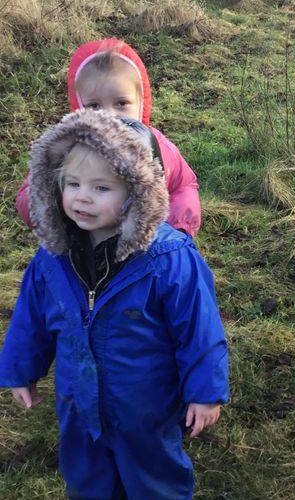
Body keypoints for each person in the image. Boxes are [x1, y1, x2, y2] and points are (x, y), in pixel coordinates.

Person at [0, 110, 229, 499]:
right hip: (77, 401)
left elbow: (199, 329)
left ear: (136, 194)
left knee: (154, 480)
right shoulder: (53, 257)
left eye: (101, 188)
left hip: (146, 408)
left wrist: (205, 391)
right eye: (72, 184)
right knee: (87, 479)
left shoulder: (169, 260)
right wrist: (20, 369)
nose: (82, 197)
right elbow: (31, 319)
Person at [15, 38, 202, 236]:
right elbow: (31, 191)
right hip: (84, 246)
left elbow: (183, 185)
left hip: (143, 247)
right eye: (94, 106)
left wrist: (175, 228)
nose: (109, 115)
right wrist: (53, 207)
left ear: (141, 103)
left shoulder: (157, 146)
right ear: (80, 106)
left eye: (121, 103)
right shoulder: (67, 147)